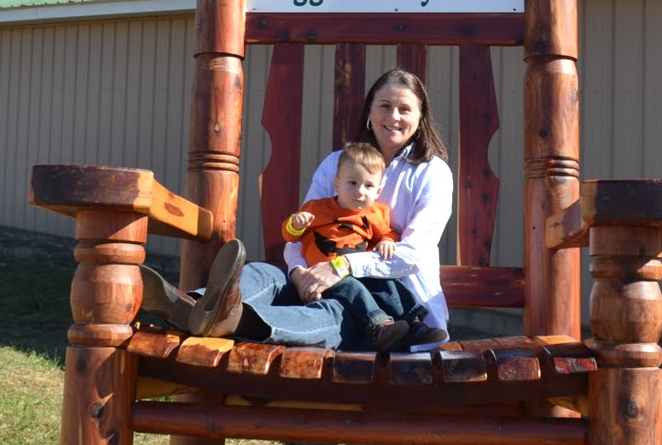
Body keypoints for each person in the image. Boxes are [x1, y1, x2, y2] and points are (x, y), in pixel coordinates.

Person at [140, 67, 455, 351]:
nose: (394, 116)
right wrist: (300, 273)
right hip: (316, 276)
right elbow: (298, 236)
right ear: (369, 113)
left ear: (420, 117)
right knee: (263, 273)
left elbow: (412, 255)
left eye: (405, 109)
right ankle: (191, 304)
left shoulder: (431, 172)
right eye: (385, 106)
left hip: (387, 306)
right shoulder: (336, 165)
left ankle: (234, 321)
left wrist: (340, 268)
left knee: (334, 312)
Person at [281, 140, 443, 350]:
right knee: (353, 288)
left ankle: (414, 323)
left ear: (378, 191)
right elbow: (289, 237)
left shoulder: (375, 214)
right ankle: (379, 327)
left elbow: (387, 233)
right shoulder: (316, 209)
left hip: (358, 269)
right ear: (336, 184)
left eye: (368, 186)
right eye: (352, 183)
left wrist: (387, 241)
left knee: (388, 283)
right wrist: (295, 224)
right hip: (326, 276)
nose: (360, 191)